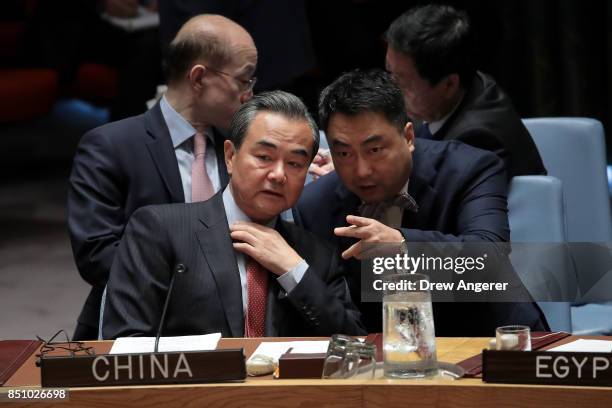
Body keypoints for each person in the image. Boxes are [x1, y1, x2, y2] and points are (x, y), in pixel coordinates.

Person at [295, 69, 548, 336]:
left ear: (408, 138)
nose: (361, 171)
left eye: (374, 150)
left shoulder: (469, 169)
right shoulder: (314, 205)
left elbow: (488, 256)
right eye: (344, 153)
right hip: (385, 356)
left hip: (488, 338)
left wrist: (403, 246)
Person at [102, 91, 365, 339]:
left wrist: (293, 270)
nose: (278, 174)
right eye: (264, 157)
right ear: (230, 156)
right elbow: (126, 341)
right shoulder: (160, 230)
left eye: (295, 164)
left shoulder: (315, 254)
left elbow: (353, 343)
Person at [68, 14, 257, 340]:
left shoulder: (241, 149)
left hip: (234, 330)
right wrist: (197, 290)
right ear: (198, 78)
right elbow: (96, 254)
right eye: (244, 80)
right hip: (139, 330)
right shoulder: (111, 146)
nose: (250, 95)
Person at [385, 4, 545, 179]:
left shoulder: (477, 141)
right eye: (390, 72)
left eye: (404, 82)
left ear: (449, 85)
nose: (393, 90)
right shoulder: (457, 84)